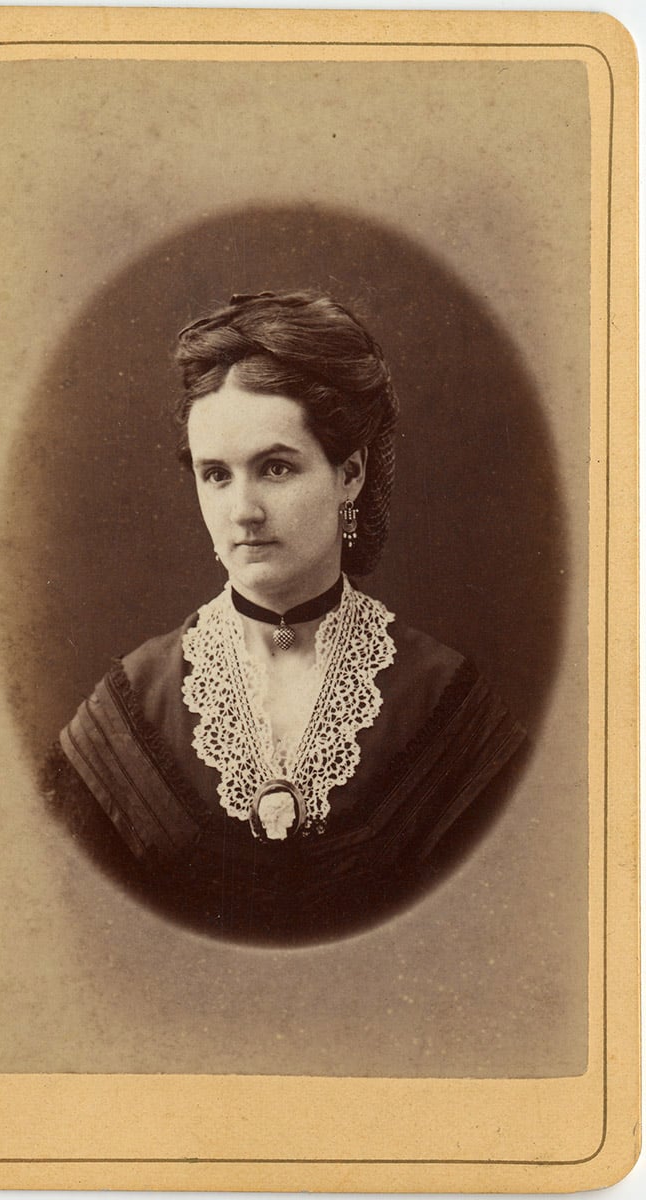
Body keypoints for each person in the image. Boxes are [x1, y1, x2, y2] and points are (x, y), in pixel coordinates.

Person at [44, 291, 526, 943]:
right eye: (217, 475)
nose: (243, 511)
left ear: (348, 474)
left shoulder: (443, 701)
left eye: (275, 468)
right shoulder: (131, 707)